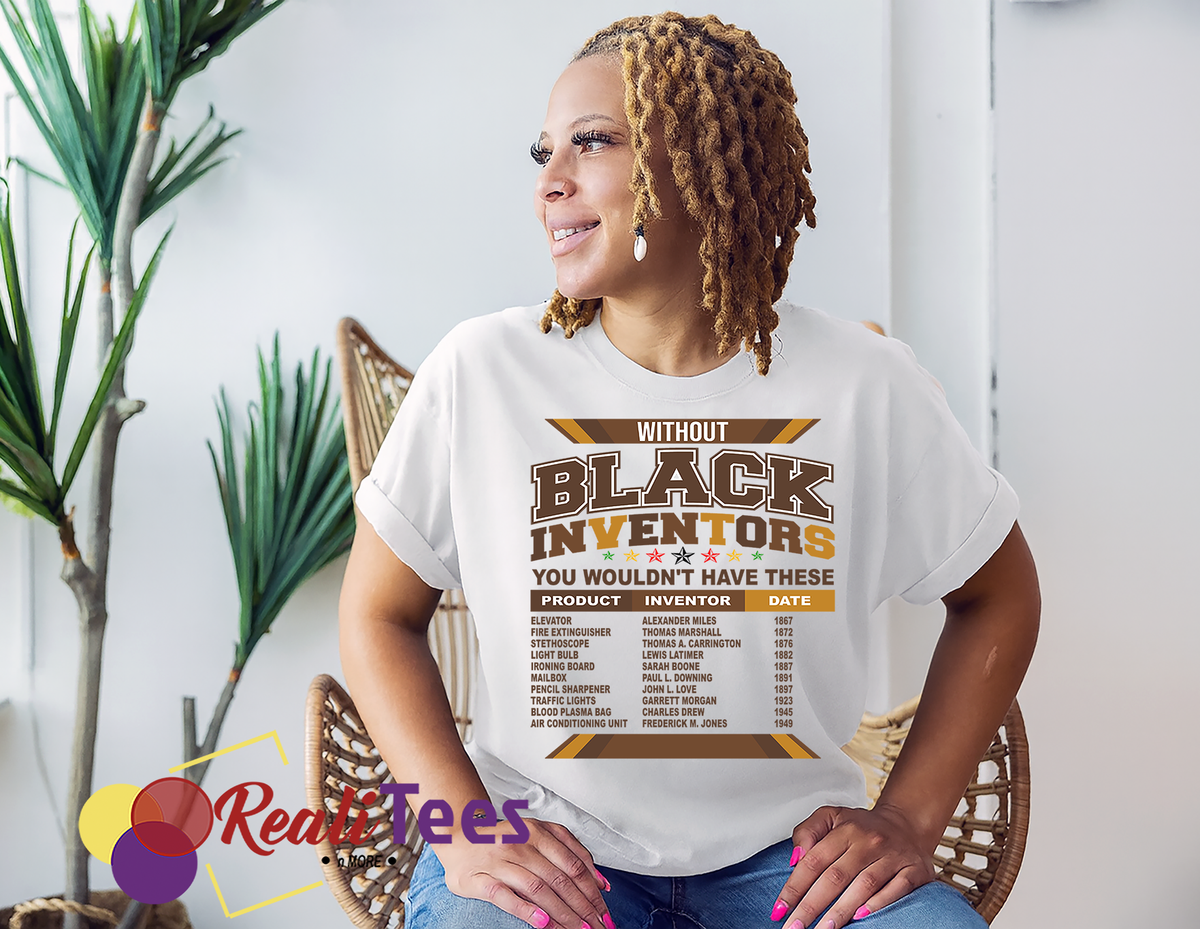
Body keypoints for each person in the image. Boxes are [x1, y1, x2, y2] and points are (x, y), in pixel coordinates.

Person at [339, 12, 1040, 929]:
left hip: (791, 864)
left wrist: (907, 816)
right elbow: (377, 614)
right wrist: (468, 826)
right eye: (543, 150)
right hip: (550, 849)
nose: (550, 182)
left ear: (712, 162)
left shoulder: (864, 384)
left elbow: (1001, 592)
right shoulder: (481, 372)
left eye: (591, 142)